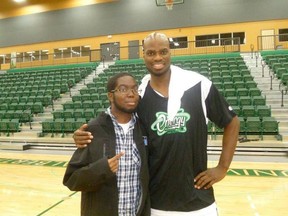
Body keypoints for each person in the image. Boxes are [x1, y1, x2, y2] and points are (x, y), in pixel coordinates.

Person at [73, 32, 240, 216]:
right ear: (143, 55)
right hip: (155, 203)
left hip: (199, 201)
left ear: (170, 53)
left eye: (163, 51)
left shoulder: (198, 84)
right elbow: (112, 119)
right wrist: (84, 135)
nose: (158, 57)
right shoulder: (140, 96)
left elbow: (231, 122)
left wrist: (222, 167)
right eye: (151, 53)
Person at [63, 72, 150, 216]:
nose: (131, 94)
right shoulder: (93, 130)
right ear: (110, 96)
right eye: (123, 89)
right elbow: (71, 180)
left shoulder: (144, 128)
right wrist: (102, 169)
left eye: (135, 89)